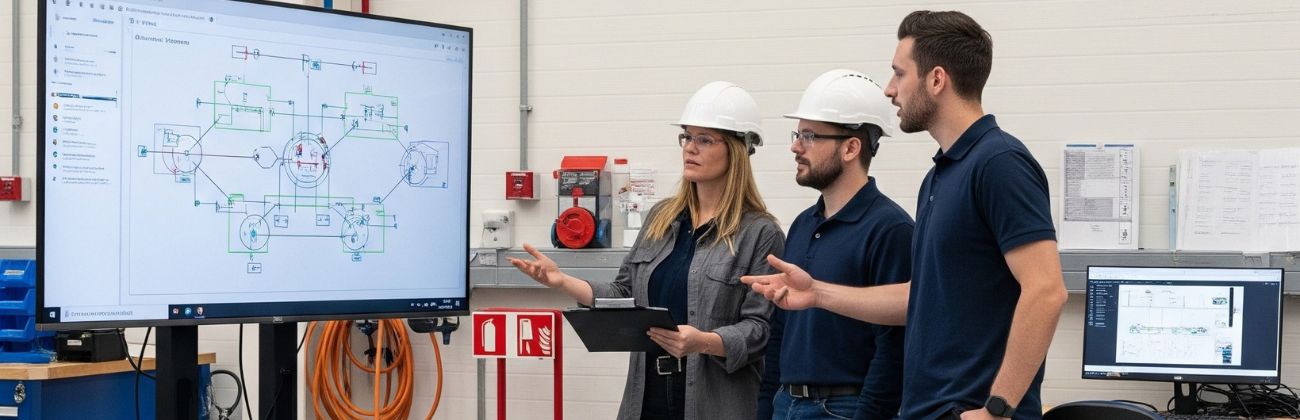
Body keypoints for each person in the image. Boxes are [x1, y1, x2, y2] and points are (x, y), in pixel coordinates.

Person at [743, 11, 1067, 420]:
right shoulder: (940, 176)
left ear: (936, 80)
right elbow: (921, 296)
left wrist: (998, 408)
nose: (890, 89)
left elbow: (1046, 290)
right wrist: (818, 294)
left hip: (969, 410)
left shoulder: (999, 162)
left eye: (899, 73)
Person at [510, 81, 785, 420]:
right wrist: (561, 281)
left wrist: (703, 341)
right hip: (647, 400)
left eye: (704, 139)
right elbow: (624, 293)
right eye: (687, 137)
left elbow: (761, 330)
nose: (690, 148)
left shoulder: (760, 233)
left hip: (713, 404)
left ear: (737, 150)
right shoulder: (661, 218)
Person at [756, 69, 911, 420]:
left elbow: (893, 347)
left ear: (851, 148)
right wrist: (767, 407)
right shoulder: (802, 224)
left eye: (810, 136)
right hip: (786, 404)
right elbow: (781, 331)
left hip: (844, 409)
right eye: (798, 134)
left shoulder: (891, 229)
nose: (796, 146)